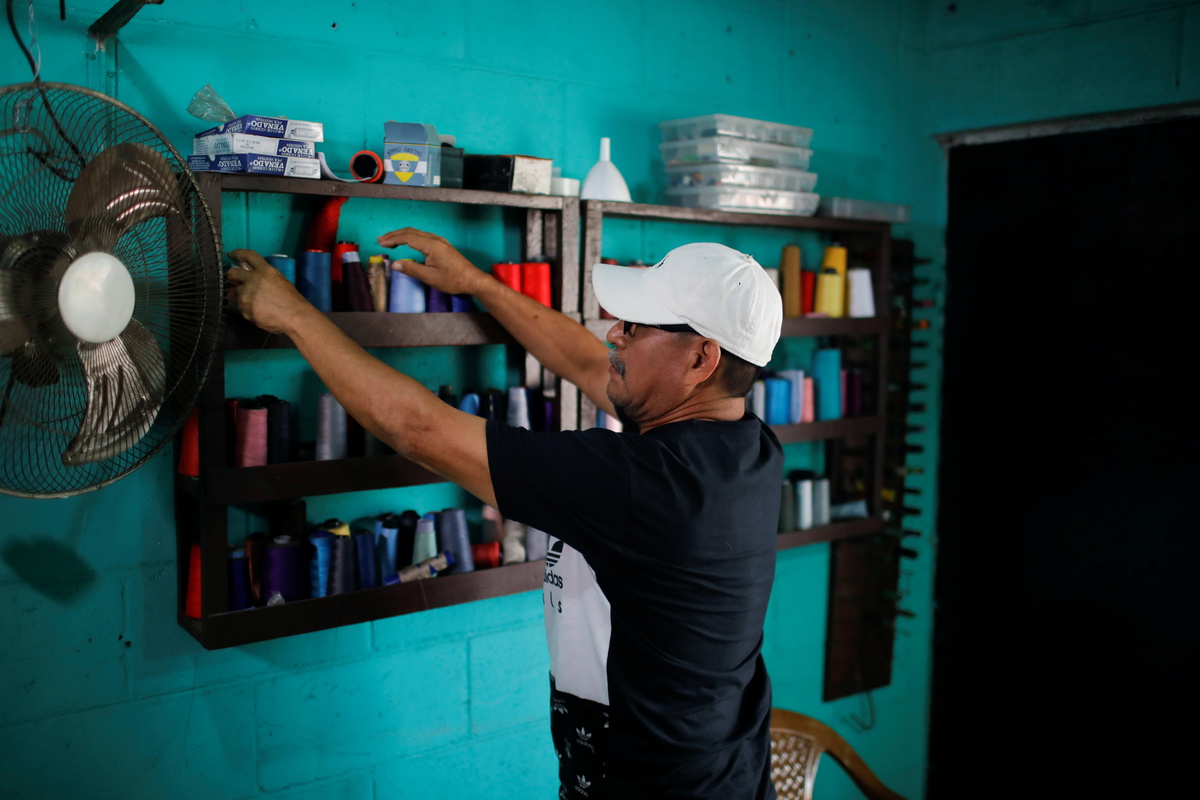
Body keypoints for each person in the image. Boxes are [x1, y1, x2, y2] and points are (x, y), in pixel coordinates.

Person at [226, 229, 784, 799]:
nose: (614, 333)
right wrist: (476, 284)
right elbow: (586, 362)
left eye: (637, 326)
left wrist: (293, 315)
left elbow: (418, 429)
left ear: (701, 358)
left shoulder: (641, 483)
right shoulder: (748, 448)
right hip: (726, 774)